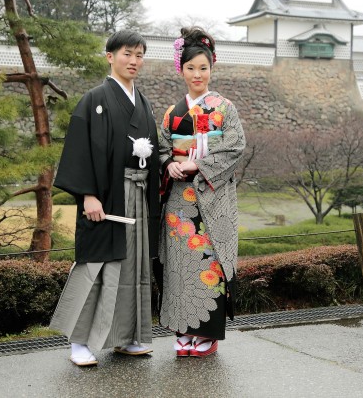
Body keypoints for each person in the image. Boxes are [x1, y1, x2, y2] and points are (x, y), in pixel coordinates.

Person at [49, 30, 161, 367]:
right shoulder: (94, 99)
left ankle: (125, 338)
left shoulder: (143, 102)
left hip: (138, 196)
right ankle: (79, 341)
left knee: (133, 267)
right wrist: (88, 196)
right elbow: (80, 152)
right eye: (127, 53)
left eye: (139, 55)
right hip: (107, 197)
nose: (134, 61)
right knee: (99, 267)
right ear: (110, 56)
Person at [157, 26, 246, 357]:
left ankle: (207, 334)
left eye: (203, 68)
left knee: (209, 261)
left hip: (212, 197)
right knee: (180, 264)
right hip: (179, 200)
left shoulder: (224, 108)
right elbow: (162, 146)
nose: (197, 74)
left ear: (212, 68)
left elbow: (235, 146)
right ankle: (183, 331)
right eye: (191, 68)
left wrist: (197, 165)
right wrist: (168, 164)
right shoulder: (172, 112)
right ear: (181, 69)